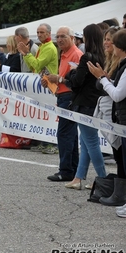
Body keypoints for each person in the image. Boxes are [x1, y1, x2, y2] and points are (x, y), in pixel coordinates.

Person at [63, 24, 107, 190]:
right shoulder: (102, 56)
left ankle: (102, 179)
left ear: (88, 38)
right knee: (86, 142)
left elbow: (76, 82)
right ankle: (78, 177)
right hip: (95, 103)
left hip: (84, 104)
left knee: (91, 142)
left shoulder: (87, 57)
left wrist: (71, 72)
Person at [87, 29, 126, 210]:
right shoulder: (116, 63)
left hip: (120, 117)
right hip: (118, 117)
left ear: (119, 47)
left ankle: (121, 196)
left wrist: (103, 79)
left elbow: (117, 94)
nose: (107, 44)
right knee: (121, 158)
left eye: (111, 41)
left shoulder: (123, 66)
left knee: (122, 158)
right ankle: (120, 195)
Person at [41, 26, 83, 182]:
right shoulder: (64, 54)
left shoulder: (76, 55)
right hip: (64, 95)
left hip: (70, 97)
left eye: (63, 36)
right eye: (57, 37)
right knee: (69, 135)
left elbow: (76, 81)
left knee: (65, 134)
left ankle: (66, 170)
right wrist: (50, 82)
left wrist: (57, 79)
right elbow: (63, 78)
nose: (59, 39)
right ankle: (71, 169)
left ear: (72, 37)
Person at [18, 23, 58, 154]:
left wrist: (27, 54)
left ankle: (52, 143)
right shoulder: (43, 46)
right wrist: (26, 55)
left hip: (49, 84)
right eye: (38, 32)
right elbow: (33, 68)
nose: (39, 34)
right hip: (42, 82)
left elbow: (38, 64)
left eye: (42, 32)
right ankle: (44, 141)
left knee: (49, 114)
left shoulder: (49, 47)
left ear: (48, 34)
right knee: (42, 114)